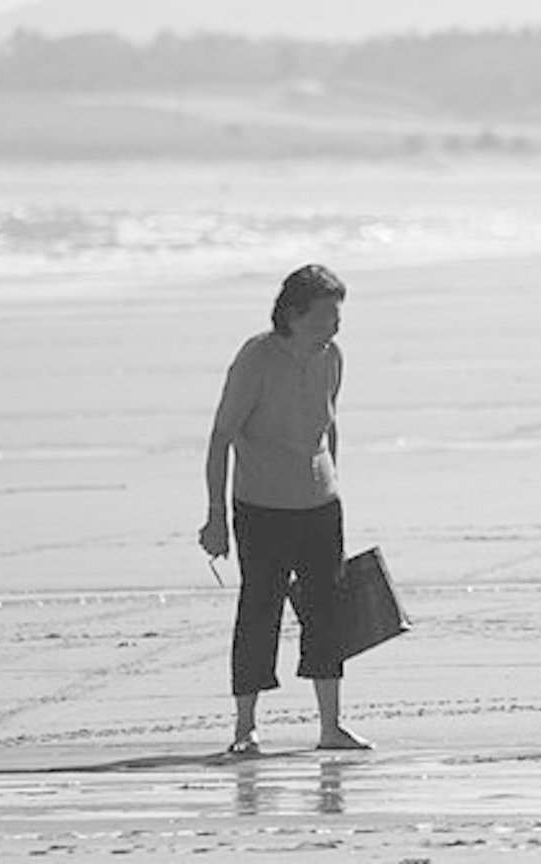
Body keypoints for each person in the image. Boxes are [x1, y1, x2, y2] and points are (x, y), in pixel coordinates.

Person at [198, 263, 370, 754]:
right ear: (292, 314)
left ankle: (331, 727)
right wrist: (215, 515)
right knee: (260, 610)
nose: (333, 329)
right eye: (323, 319)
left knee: (326, 614)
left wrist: (334, 481)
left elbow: (329, 425)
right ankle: (245, 728)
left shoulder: (332, 357)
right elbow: (221, 437)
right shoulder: (256, 359)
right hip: (262, 507)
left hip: (320, 505)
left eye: (337, 319)